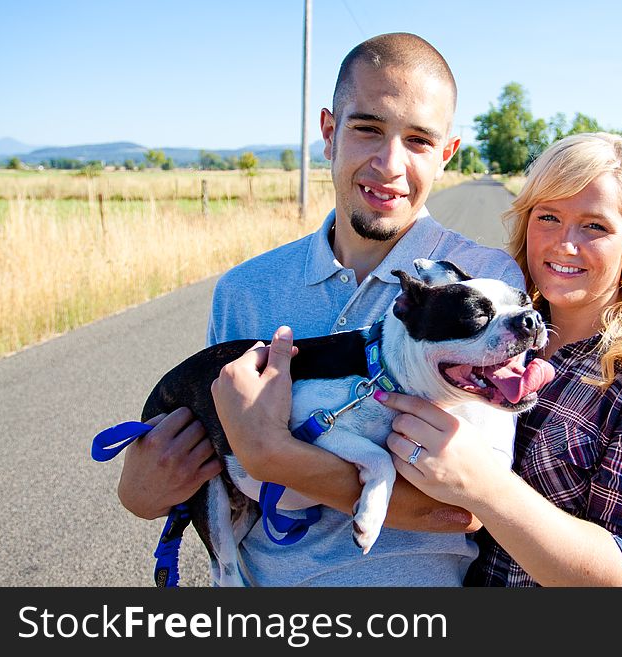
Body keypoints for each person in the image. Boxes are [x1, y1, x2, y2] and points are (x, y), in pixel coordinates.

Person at [117, 32, 524, 586]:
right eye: (367, 129)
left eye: (419, 141)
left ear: (446, 153)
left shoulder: (489, 289)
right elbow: (207, 464)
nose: (389, 164)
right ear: (329, 132)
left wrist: (272, 455)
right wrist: (140, 493)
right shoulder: (245, 290)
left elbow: (465, 509)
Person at [376, 132, 622, 586]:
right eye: (549, 217)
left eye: (595, 226)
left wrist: (485, 486)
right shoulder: (491, 334)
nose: (565, 243)